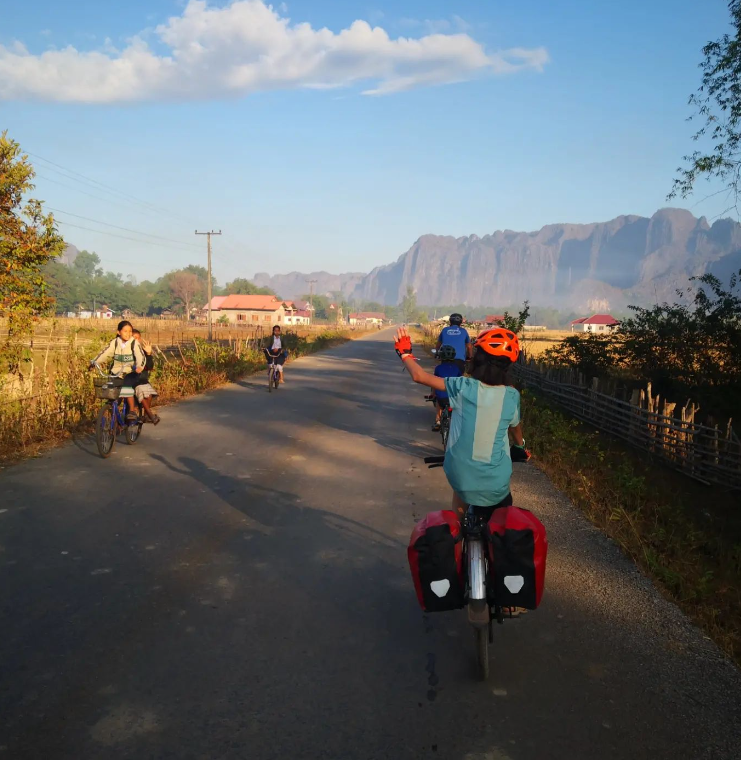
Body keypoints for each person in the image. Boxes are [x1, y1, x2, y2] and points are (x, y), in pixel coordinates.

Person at [394, 326, 528, 515]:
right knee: (502, 517)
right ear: (508, 365)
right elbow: (515, 429)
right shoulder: (511, 395)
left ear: (477, 358)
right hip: (496, 483)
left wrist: (405, 354)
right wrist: (521, 447)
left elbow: (419, 376)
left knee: (460, 498)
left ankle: (458, 532)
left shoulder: (462, 386)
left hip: (460, 475)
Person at [89, 320, 146, 421]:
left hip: (131, 372)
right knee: (110, 390)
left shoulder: (134, 343)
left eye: (130, 331)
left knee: (127, 384)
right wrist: (94, 362)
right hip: (116, 373)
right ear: (118, 332)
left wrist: (139, 367)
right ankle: (113, 417)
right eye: (125, 331)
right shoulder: (115, 343)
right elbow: (105, 353)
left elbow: (140, 356)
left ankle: (132, 411)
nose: (128, 334)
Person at [131, 329, 160, 425]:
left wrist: (148, 354)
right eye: (133, 338)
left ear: (140, 340)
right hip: (132, 380)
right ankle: (150, 415)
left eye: (137, 338)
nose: (135, 340)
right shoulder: (126, 351)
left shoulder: (143, 352)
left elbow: (150, 366)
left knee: (149, 393)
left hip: (142, 380)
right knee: (141, 392)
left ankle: (145, 415)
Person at [431, 344, 463, 431]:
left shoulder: (438, 368)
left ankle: (438, 421)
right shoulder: (457, 368)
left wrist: (433, 394)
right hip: (454, 397)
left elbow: (434, 383)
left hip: (442, 398)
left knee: (438, 402)